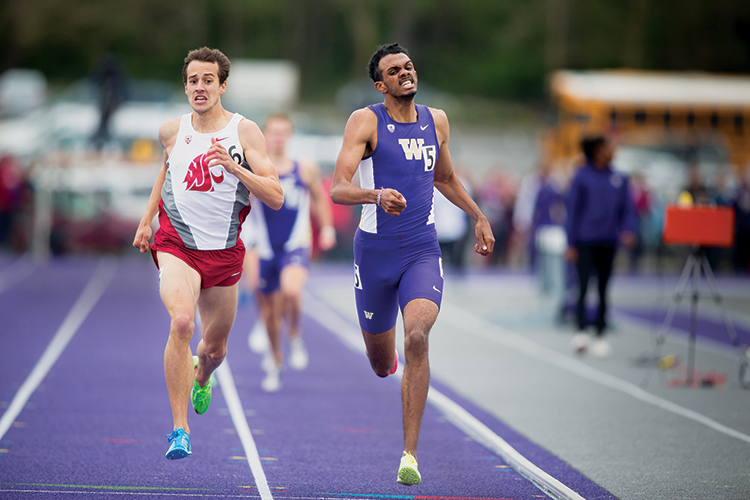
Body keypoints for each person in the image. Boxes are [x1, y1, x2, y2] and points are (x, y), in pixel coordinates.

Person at [329, 43, 494, 486]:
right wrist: (376, 195)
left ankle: (409, 455)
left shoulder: (436, 120)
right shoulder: (366, 122)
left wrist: (478, 216)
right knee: (383, 364)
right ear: (380, 84)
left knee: (417, 337)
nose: (405, 73)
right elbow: (338, 188)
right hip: (376, 252)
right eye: (394, 71)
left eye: (409, 66)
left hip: (422, 248)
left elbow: (443, 178)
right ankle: (397, 371)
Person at [132, 47, 283, 460]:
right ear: (185, 86)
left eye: (208, 80)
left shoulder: (244, 132)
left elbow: (276, 196)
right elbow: (165, 169)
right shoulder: (170, 131)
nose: (200, 87)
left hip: (224, 253)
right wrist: (147, 220)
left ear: (222, 86)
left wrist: (236, 169)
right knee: (181, 323)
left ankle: (203, 376)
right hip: (176, 244)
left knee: (213, 349)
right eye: (193, 80)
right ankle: (179, 430)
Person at [247, 112, 336, 392]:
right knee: (268, 308)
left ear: (290, 135)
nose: (278, 137)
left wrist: (327, 228)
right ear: (264, 135)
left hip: (296, 242)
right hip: (262, 244)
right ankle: (275, 360)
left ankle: (295, 334)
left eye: (283, 132)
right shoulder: (253, 168)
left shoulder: (305, 168)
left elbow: (321, 199)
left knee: (291, 291)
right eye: (273, 131)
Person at [565, 135, 637, 358]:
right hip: (585, 240)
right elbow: (573, 211)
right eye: (608, 147)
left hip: (608, 240)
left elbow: (628, 208)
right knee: (584, 286)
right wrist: (571, 242)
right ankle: (580, 331)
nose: (612, 151)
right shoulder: (582, 176)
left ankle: (600, 333)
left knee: (604, 289)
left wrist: (628, 230)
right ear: (597, 150)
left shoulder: (619, 178)